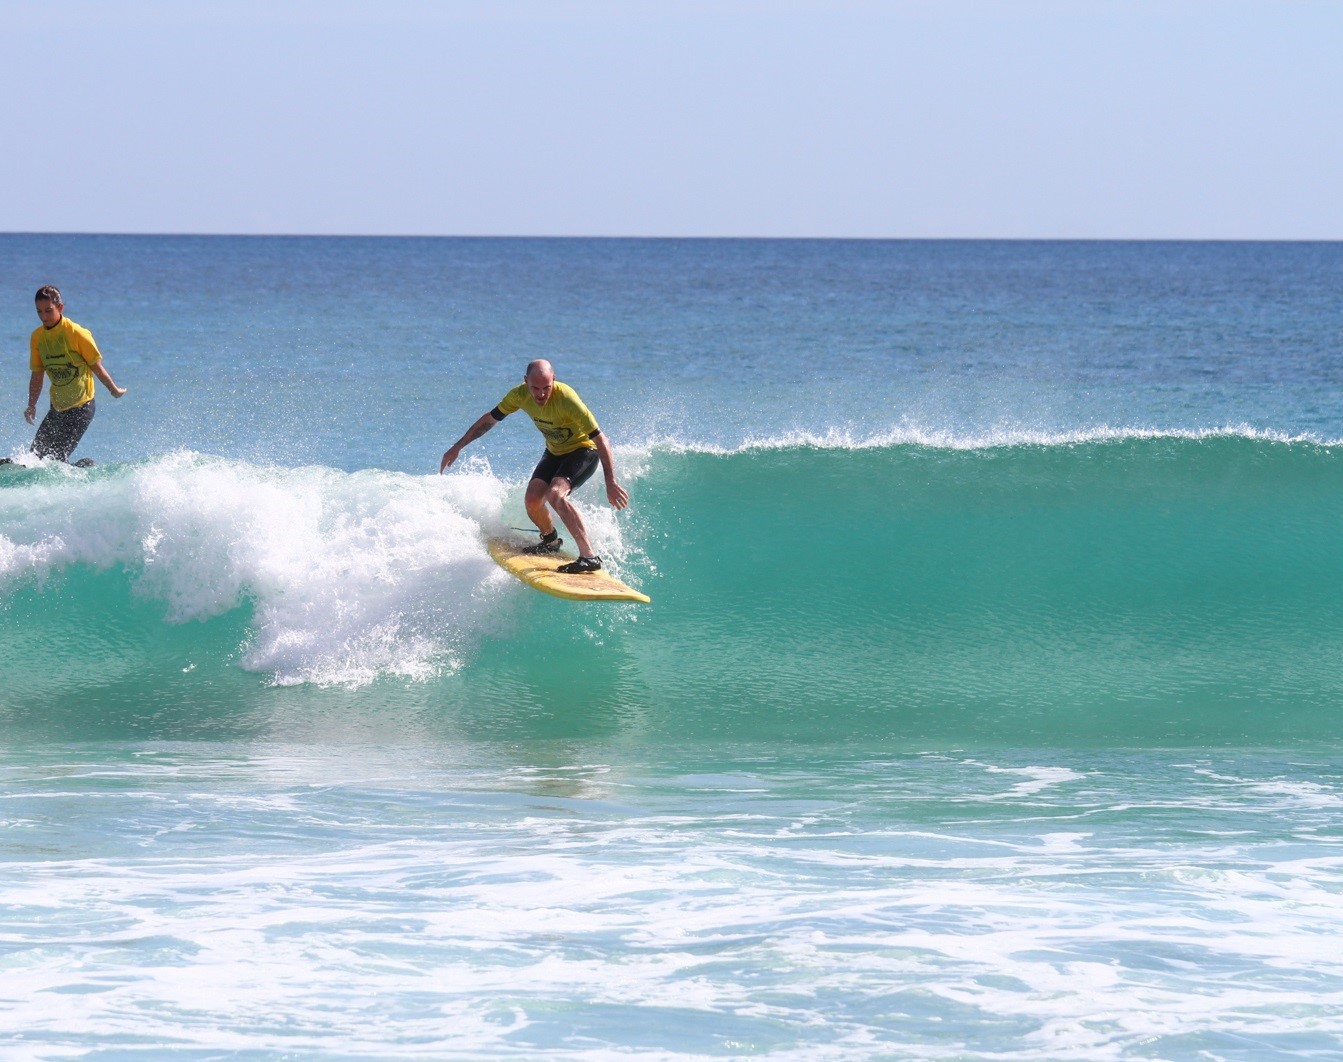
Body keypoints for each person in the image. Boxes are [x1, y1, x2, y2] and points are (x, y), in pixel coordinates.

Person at [440, 359, 629, 574]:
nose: (540, 394)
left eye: (546, 388)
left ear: (554, 381)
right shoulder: (518, 395)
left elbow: (601, 439)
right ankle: (550, 541)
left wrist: (610, 481)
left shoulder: (567, 399)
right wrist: (458, 446)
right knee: (532, 500)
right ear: (525, 382)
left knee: (555, 495)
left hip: (583, 451)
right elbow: (489, 420)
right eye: (535, 388)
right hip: (554, 451)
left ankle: (589, 556)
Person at [23, 285, 127, 462]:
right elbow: (37, 374)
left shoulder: (78, 333)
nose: (44, 317)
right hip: (57, 407)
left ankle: (83, 470)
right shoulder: (37, 337)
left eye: (48, 311)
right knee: (34, 457)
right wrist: (31, 405)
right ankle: (80, 467)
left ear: (60, 308)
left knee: (56, 458)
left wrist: (113, 389)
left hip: (82, 407)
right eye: (39, 312)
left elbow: (97, 367)